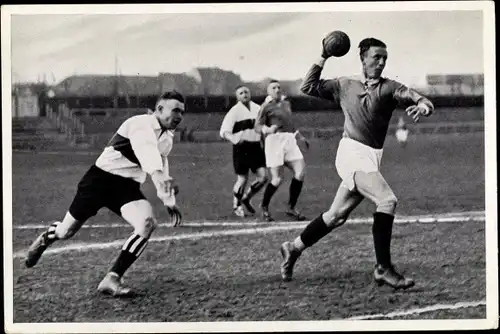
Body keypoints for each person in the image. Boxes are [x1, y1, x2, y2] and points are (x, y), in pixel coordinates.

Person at [279, 38, 434, 289]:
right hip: (351, 153)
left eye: (385, 58)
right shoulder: (344, 84)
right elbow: (307, 86)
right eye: (376, 57)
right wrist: (323, 55)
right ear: (362, 57)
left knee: (336, 216)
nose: (382, 62)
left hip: (372, 157)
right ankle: (383, 268)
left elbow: (420, 99)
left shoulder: (390, 88)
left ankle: (292, 248)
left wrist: (424, 107)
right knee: (387, 200)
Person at [24, 91, 186, 297]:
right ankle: (47, 236)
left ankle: (112, 278)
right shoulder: (140, 124)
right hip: (99, 181)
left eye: (182, 112)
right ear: (160, 109)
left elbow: (162, 167)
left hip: (126, 187)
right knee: (66, 231)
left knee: (147, 223)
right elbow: (148, 154)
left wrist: (168, 200)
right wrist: (159, 177)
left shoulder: (167, 138)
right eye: (175, 110)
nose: (179, 116)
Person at [254, 80, 310, 222]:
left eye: (279, 87)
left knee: (300, 172)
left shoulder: (286, 104)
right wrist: (267, 129)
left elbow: (289, 124)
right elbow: (257, 126)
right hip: (274, 142)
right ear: (269, 91)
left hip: (289, 140)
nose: (277, 89)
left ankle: (291, 208)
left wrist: (300, 137)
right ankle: (264, 207)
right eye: (274, 88)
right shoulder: (265, 107)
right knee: (277, 179)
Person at [219, 85, 268, 217]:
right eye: (241, 93)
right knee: (242, 179)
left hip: (256, 147)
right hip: (242, 148)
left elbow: (263, 127)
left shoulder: (258, 109)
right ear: (237, 96)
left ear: (250, 93)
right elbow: (224, 131)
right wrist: (234, 139)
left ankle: (246, 198)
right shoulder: (234, 111)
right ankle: (237, 205)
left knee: (263, 177)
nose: (244, 94)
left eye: (246, 92)